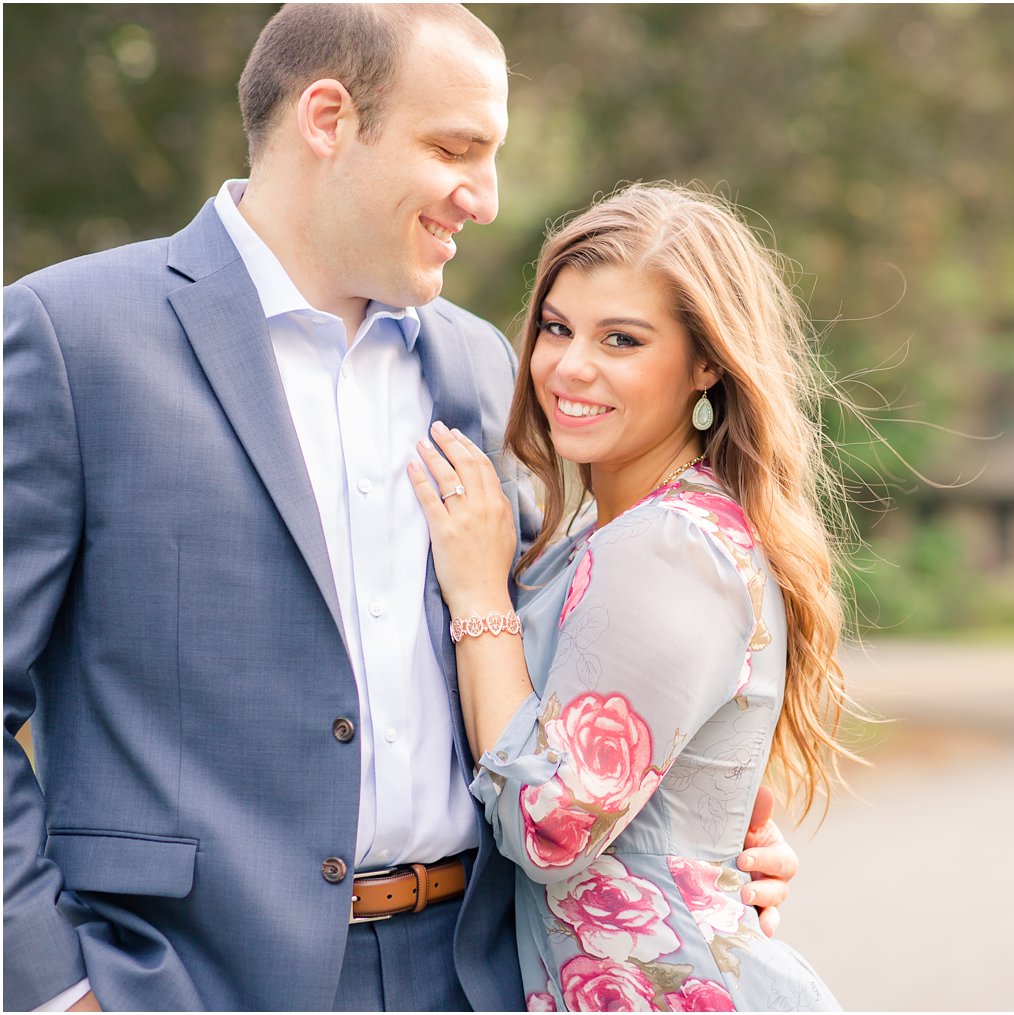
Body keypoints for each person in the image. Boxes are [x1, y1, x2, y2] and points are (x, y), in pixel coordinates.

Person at [3, 7, 796, 1012]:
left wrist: (693, 844)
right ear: (327, 118)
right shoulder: (75, 338)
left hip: (469, 973)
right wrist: (51, 985)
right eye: (456, 148)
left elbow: (556, 677)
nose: (486, 196)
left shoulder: (480, 364)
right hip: (186, 979)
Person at [409, 183, 850, 1010]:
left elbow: (550, 826)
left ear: (706, 362)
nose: (571, 367)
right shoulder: (605, 532)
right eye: (556, 327)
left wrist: (477, 591)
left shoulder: (673, 546)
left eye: (622, 339)